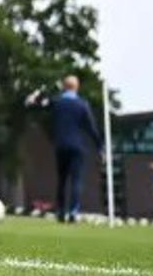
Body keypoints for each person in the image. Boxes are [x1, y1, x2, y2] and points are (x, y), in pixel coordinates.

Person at [31, 75, 103, 224]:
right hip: (77, 146)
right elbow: (91, 128)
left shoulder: (57, 102)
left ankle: (61, 212)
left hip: (61, 145)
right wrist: (100, 147)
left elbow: (39, 104)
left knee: (62, 180)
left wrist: (34, 98)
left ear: (64, 86)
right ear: (77, 87)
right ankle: (73, 212)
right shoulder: (82, 105)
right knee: (76, 180)